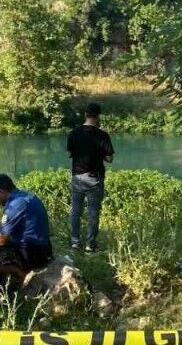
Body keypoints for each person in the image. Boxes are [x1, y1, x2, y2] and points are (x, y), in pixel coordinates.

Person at [0, 174, 54, 272]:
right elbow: (11, 228)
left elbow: (1, 240)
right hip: (44, 249)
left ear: (1, 192)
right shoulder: (26, 196)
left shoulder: (14, 205)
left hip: (30, 254)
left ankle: (18, 273)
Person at [66, 101, 114, 252]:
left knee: (76, 211)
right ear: (98, 116)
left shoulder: (74, 133)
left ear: (85, 114)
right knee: (93, 213)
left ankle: (75, 243)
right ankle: (89, 245)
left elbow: (69, 154)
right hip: (95, 179)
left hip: (77, 178)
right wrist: (99, 154)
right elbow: (110, 158)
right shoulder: (102, 135)